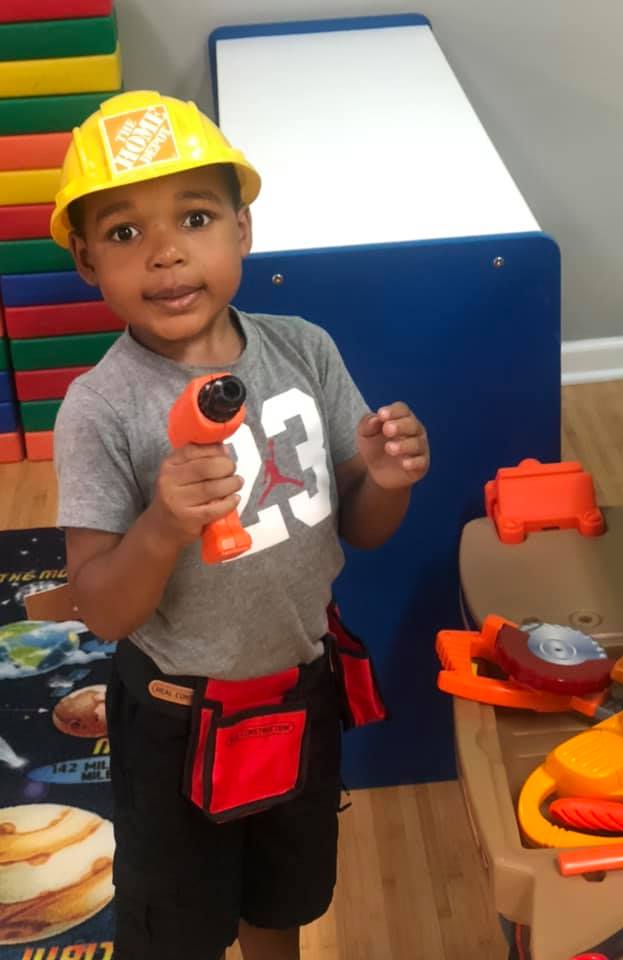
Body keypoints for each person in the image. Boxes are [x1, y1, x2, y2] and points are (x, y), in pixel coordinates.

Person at [51, 90, 430, 960]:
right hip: (176, 716)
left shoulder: (304, 349)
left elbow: (364, 528)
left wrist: (384, 475)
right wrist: (162, 526)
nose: (167, 253)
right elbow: (103, 610)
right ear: (85, 263)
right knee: (178, 929)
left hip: (302, 688)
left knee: (282, 902)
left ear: (243, 230)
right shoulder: (99, 410)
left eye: (194, 217)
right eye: (123, 234)